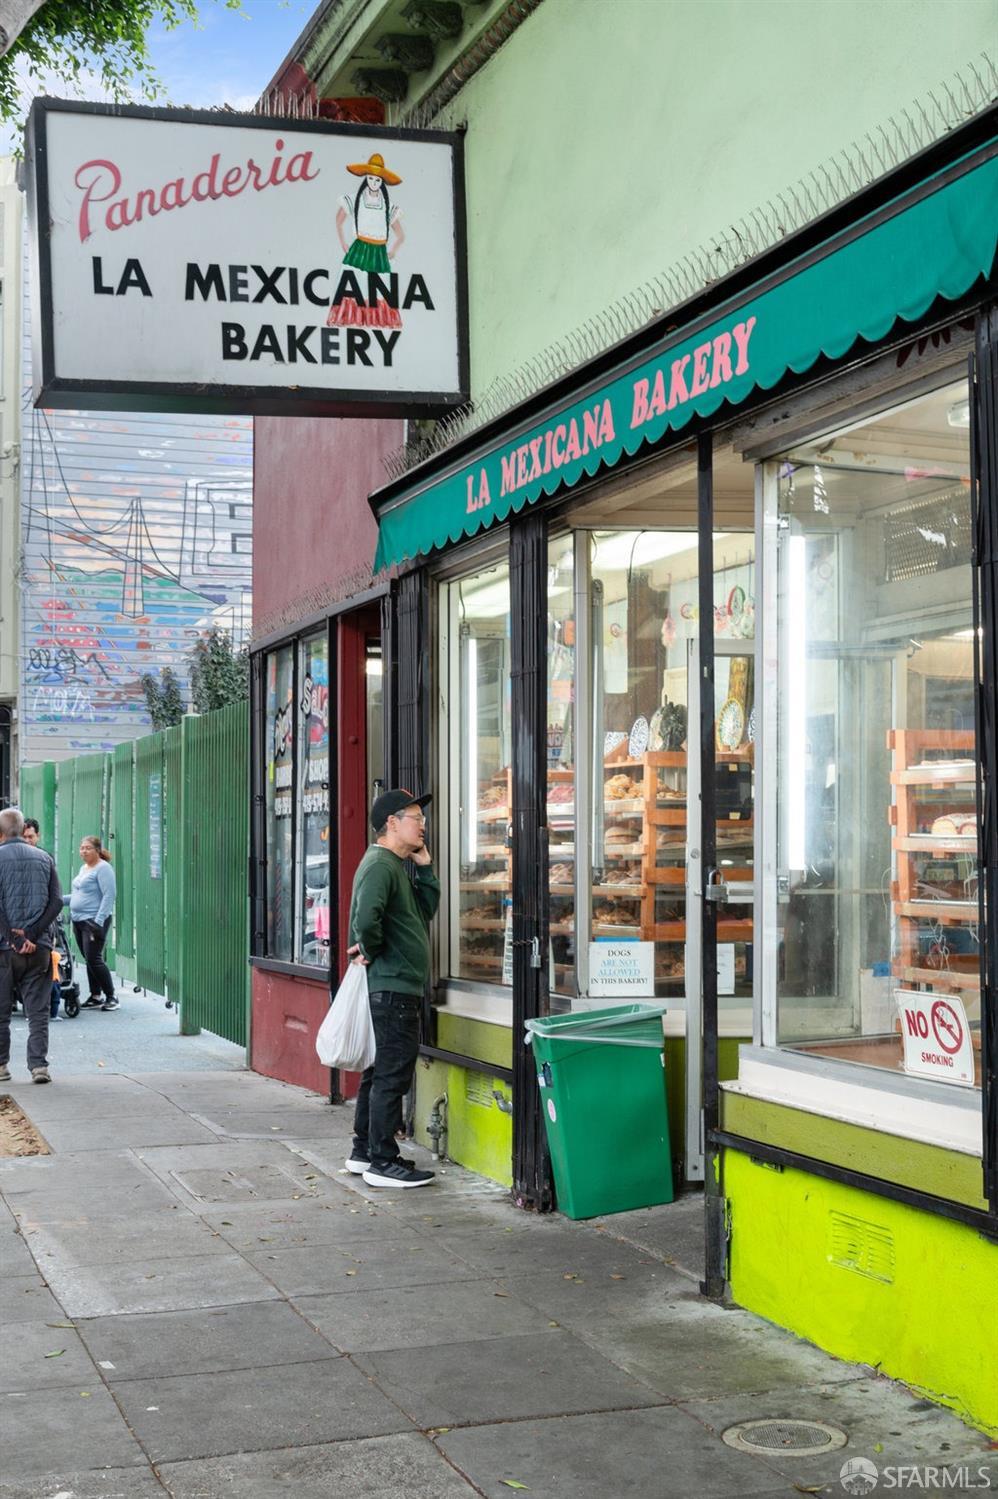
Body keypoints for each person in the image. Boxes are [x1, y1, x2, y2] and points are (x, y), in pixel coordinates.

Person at [346, 789, 439, 1189]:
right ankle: (383, 1162)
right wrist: (370, 948)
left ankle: (364, 1151)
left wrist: (426, 869)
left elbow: (422, 913)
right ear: (392, 823)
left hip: (393, 987)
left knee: (378, 1072)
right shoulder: (381, 865)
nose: (423, 825)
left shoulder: (395, 866)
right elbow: (367, 918)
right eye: (415, 817)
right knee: (391, 1076)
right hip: (393, 989)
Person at [0, 806, 63, 1084]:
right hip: (39, 949)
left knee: (1, 1011)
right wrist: (33, 935)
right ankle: (39, 1066)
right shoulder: (44, 858)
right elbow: (57, 902)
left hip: (4, 949)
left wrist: (14, 938)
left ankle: (1, 1066)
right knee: (38, 1011)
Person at [68, 836, 118, 1011]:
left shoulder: (104, 868)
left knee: (94, 958)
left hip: (93, 921)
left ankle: (111, 996)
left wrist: (98, 921)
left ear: (97, 850)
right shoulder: (84, 868)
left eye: (88, 848)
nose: (84, 851)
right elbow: (78, 895)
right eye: (82, 848)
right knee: (88, 959)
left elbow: (109, 895)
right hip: (79, 920)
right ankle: (96, 995)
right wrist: (58, 901)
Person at [22, 819, 62, 1019]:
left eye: (30, 836)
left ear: (37, 837)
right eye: (24, 836)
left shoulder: (45, 858)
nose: (27, 840)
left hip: (39, 928)